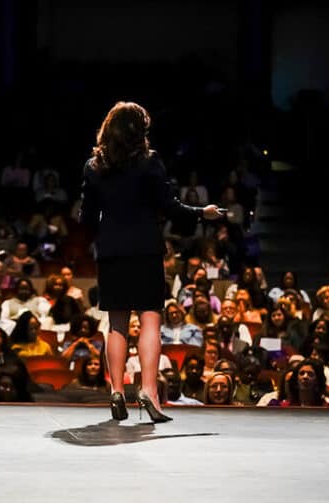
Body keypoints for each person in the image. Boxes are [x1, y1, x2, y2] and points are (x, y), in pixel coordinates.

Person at [79, 102, 222, 422]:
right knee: (150, 321)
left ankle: (116, 390)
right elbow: (170, 207)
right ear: (140, 131)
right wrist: (203, 213)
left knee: (116, 324)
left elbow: (85, 217)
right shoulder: (150, 162)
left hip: (111, 250)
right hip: (145, 248)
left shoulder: (94, 166)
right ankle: (149, 392)